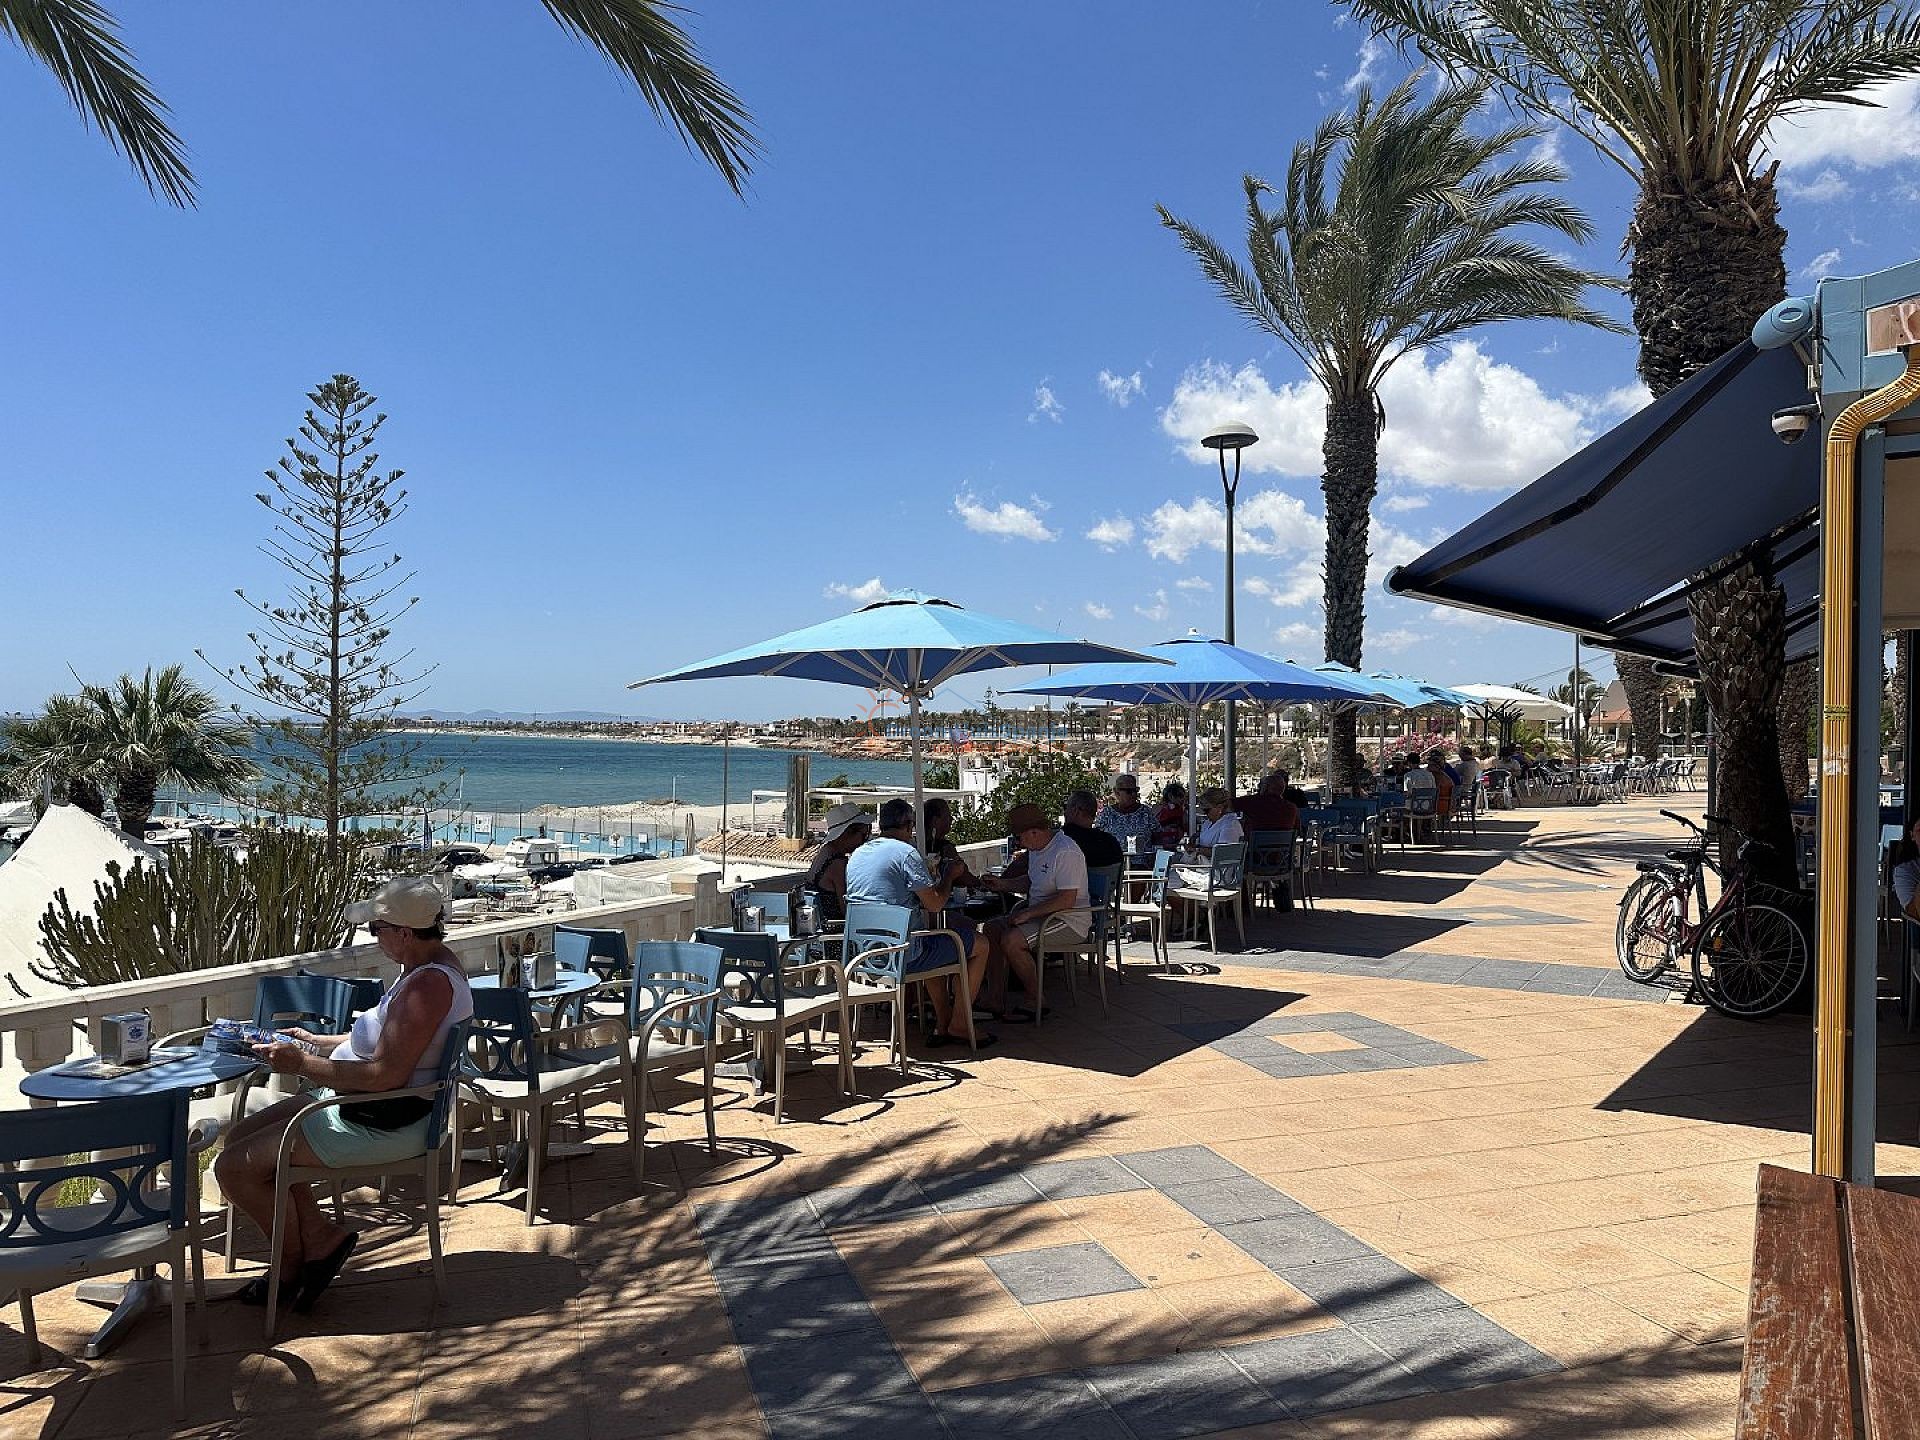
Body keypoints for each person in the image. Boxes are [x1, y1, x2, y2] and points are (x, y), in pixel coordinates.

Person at [214, 876, 473, 1313]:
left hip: (384, 1117)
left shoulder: (427, 987)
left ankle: (289, 1267)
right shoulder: (427, 966)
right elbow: (391, 1043)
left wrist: (301, 1064)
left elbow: (383, 1075)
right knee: (241, 1139)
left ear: (405, 933)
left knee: (234, 1169)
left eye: (377, 930)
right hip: (366, 1104)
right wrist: (319, 1043)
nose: (374, 939)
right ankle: (317, 1240)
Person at [846, 798, 993, 1047]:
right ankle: (960, 1022)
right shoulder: (905, 853)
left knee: (932, 943)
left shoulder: (858, 854)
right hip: (902, 956)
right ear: (909, 825)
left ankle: (943, 1021)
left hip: (865, 956)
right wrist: (949, 876)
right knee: (981, 944)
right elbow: (935, 904)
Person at [982, 802, 1089, 1023]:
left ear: (1034, 831)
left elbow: (1067, 899)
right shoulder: (1037, 849)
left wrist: (1028, 914)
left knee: (1012, 941)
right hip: (1041, 914)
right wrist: (1002, 884)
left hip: (1068, 919)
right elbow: (1032, 881)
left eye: (1020, 837)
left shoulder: (1065, 851)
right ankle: (995, 998)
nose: (1018, 843)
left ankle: (1035, 999)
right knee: (992, 928)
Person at [806, 802, 871, 923]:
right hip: (834, 932)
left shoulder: (824, 853)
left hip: (819, 928)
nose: (864, 841)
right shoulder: (838, 864)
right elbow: (847, 909)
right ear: (846, 834)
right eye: (863, 835)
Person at [1095, 773, 1156, 854]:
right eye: (1129, 791)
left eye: (1135, 790)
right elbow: (1097, 838)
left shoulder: (1146, 812)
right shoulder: (1107, 814)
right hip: (1114, 863)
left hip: (1142, 864)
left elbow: (1157, 836)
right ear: (1117, 792)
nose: (1133, 794)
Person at [1062, 789, 1125, 868]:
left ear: (1075, 811)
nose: (1064, 812)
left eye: (1066, 807)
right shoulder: (1111, 842)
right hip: (1105, 879)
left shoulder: (1063, 839)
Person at [1235, 770, 1299, 834]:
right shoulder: (1291, 808)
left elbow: (1229, 804)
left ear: (1265, 787)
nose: (1258, 786)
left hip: (1255, 842)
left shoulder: (1252, 802)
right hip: (1284, 843)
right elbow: (1297, 830)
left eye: (1260, 785)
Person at [1152, 782, 1189, 849]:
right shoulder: (1159, 810)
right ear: (1171, 796)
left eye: (1184, 796)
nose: (1183, 799)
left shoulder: (1182, 811)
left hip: (1173, 844)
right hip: (1160, 844)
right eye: (1180, 796)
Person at [1425, 751, 1456, 820]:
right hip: (1448, 806)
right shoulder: (1445, 776)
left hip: (1438, 806)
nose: (1427, 768)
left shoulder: (1435, 777)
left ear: (1435, 766)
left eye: (1429, 765)